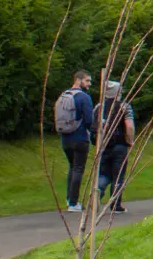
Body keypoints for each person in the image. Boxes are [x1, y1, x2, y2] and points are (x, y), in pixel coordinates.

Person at [56, 70, 98, 212]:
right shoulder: (84, 97)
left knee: (72, 167)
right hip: (79, 137)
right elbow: (88, 119)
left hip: (65, 138)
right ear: (78, 80)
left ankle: (69, 199)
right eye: (87, 81)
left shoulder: (64, 95)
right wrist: (94, 133)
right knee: (78, 169)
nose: (89, 84)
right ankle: (74, 203)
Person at [96, 80, 135, 214]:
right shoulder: (124, 107)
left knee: (104, 173)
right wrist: (130, 140)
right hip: (119, 144)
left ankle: (98, 191)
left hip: (103, 145)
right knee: (118, 174)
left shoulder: (99, 107)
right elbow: (129, 125)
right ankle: (115, 205)